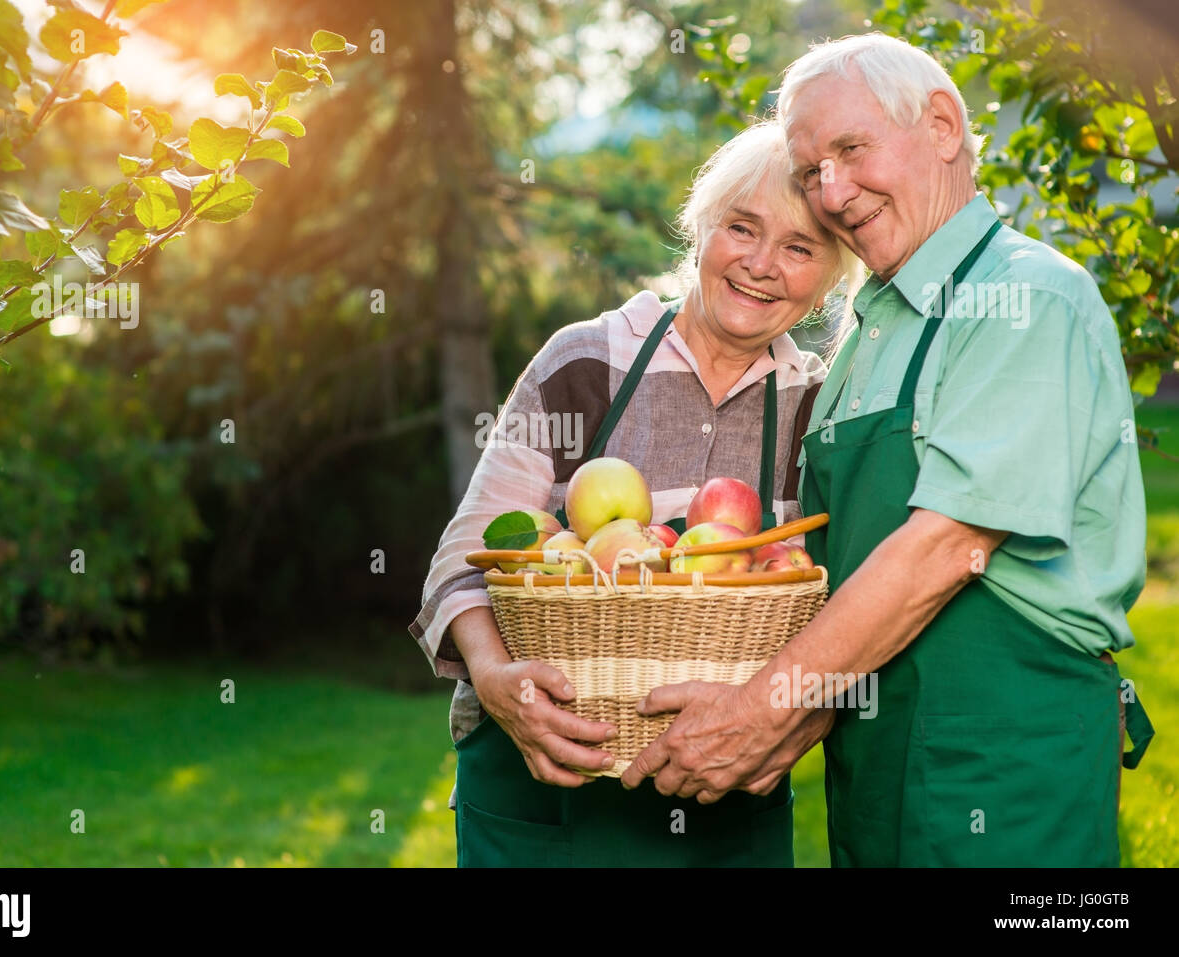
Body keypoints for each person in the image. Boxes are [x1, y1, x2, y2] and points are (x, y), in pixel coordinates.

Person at [621, 33, 1154, 867]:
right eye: (809, 171)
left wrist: (763, 710)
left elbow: (949, 545)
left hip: (1000, 757)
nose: (830, 192)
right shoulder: (872, 326)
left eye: (850, 149)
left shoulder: (1025, 296)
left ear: (943, 126)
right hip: (871, 754)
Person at [409, 120, 862, 866]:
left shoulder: (821, 407)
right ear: (698, 230)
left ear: (829, 275)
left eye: (799, 247)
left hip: (725, 802)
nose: (760, 264)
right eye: (740, 228)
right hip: (549, 788)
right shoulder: (588, 360)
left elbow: (855, 607)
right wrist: (494, 681)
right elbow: (466, 555)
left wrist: (792, 722)